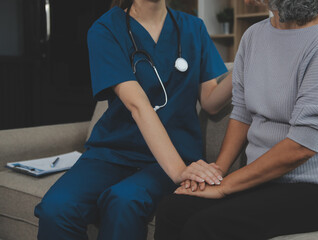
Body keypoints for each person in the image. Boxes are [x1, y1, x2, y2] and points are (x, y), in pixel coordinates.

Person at [154, 0, 318, 239]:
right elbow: (242, 113)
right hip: (264, 182)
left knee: (206, 227)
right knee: (173, 208)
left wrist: (225, 187)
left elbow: (301, 147)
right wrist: (216, 174)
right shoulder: (254, 35)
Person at [34, 0, 233, 239]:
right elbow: (136, 104)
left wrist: (242, 66)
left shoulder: (194, 28)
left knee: (124, 201)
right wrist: (180, 172)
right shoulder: (106, 29)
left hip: (173, 154)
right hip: (113, 152)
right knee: (56, 209)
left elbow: (210, 101)